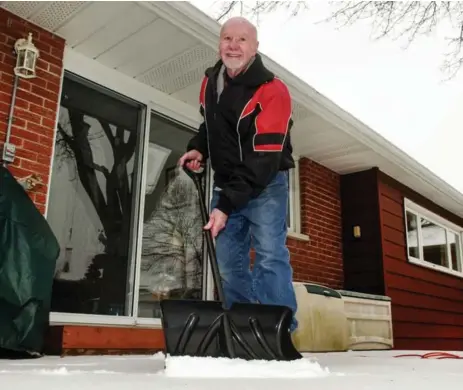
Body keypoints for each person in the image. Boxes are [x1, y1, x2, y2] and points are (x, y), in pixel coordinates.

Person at [178, 16, 298, 332]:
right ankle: (244, 331)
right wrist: (198, 148)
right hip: (228, 186)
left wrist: (226, 206)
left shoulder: (273, 90)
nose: (233, 45)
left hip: (265, 185)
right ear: (219, 44)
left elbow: (263, 159)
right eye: (227, 38)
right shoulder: (210, 82)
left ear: (255, 47)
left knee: (270, 258)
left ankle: (278, 332)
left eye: (242, 39)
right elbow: (212, 128)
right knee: (229, 266)